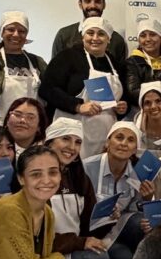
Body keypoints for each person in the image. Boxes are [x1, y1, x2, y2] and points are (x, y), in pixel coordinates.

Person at [45, 118, 125, 259]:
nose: (72, 147)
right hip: (48, 251)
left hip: (73, 246)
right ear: (50, 142)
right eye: (66, 139)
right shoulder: (39, 179)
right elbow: (37, 237)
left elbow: (89, 227)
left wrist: (107, 218)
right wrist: (81, 242)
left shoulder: (78, 177)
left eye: (78, 142)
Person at [40, 16, 130, 160]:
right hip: (72, 134)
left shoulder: (113, 63)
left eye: (101, 34)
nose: (95, 38)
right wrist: (77, 106)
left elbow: (123, 95)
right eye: (90, 33)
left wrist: (121, 108)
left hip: (104, 134)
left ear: (109, 39)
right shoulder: (67, 57)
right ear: (83, 36)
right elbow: (47, 89)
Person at [82, 121, 153, 259]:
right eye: (119, 137)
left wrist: (147, 199)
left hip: (115, 230)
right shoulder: (86, 167)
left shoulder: (137, 174)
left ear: (135, 149)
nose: (124, 143)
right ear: (107, 142)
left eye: (130, 140)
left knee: (139, 228)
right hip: (86, 229)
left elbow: (134, 211)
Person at [0, 11, 48, 117]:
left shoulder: (38, 62)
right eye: (11, 29)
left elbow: (49, 95)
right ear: (2, 32)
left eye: (21, 31)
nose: (16, 34)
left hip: (30, 124)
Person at [51, 0, 128, 64]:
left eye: (98, 1)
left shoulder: (117, 40)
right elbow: (54, 68)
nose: (93, 6)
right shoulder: (64, 35)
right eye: (87, 1)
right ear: (80, 5)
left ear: (104, 5)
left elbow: (121, 70)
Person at [125, 19, 161, 97]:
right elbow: (134, 93)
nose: (148, 39)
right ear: (139, 40)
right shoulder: (131, 63)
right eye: (143, 36)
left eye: (152, 34)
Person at [134, 81, 161, 153]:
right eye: (147, 103)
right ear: (142, 108)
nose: (153, 106)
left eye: (158, 101)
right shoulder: (135, 128)